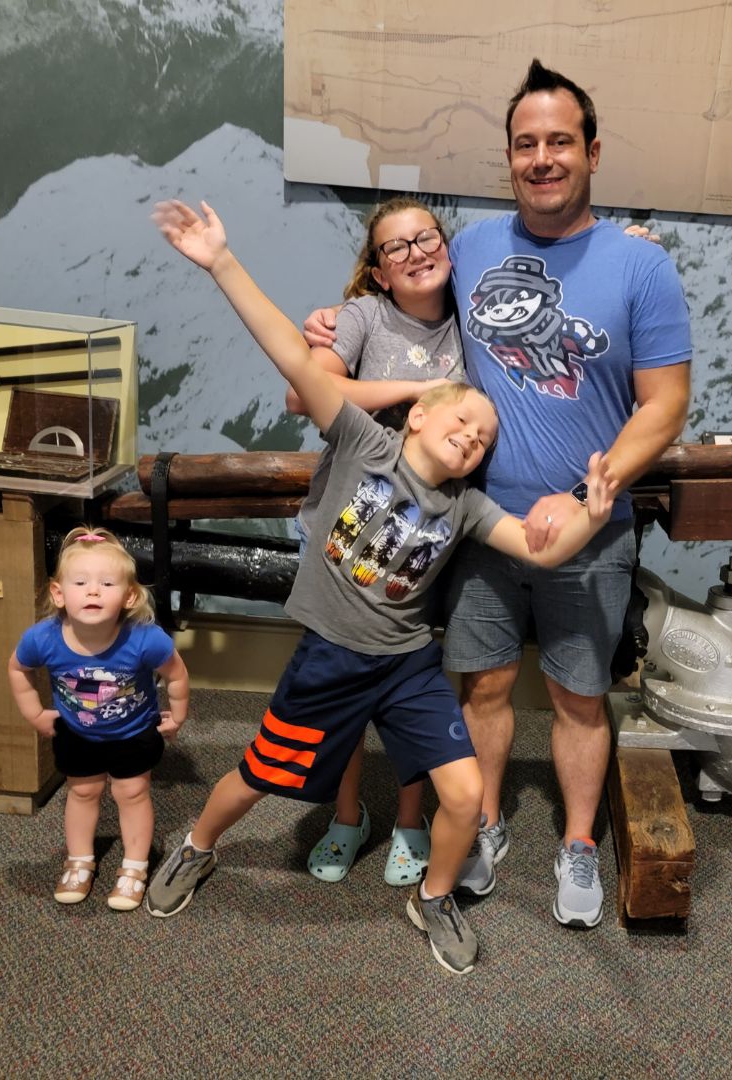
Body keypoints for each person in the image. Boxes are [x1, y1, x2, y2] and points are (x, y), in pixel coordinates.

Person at [143, 198, 615, 975]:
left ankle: (432, 897)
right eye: (461, 421)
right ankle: (197, 847)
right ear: (420, 415)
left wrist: (592, 515)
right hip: (330, 659)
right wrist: (222, 261)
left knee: (462, 797)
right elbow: (294, 364)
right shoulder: (362, 440)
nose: (471, 436)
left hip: (406, 666)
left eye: (483, 438)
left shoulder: (467, 507)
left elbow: (540, 547)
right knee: (260, 776)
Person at [304, 58, 692, 930]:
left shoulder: (641, 269)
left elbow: (665, 402)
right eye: (526, 144)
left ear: (592, 152)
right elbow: (395, 292)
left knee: (577, 698)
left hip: (589, 525)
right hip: (473, 525)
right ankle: (479, 825)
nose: (542, 157)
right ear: (509, 157)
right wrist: (334, 320)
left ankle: (580, 842)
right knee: (478, 689)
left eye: (560, 141)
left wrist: (598, 486)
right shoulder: (471, 246)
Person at [285, 196, 463, 888]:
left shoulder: (474, 318)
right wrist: (424, 388)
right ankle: (348, 814)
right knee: (343, 688)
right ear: (379, 271)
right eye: (397, 247)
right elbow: (309, 391)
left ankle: (412, 820)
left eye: (427, 237)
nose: (417, 252)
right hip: (345, 528)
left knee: (416, 689)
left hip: (427, 540)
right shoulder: (361, 315)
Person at [8, 527, 190, 911]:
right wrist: (35, 713)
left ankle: (135, 866)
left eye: (106, 583)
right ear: (59, 593)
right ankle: (80, 860)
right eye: (80, 582)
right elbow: (17, 669)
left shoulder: (146, 639)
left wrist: (179, 716)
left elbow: (177, 675)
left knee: (132, 793)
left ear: (128, 596)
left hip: (134, 732)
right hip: (78, 733)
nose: (93, 591)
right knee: (83, 792)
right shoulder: (42, 638)